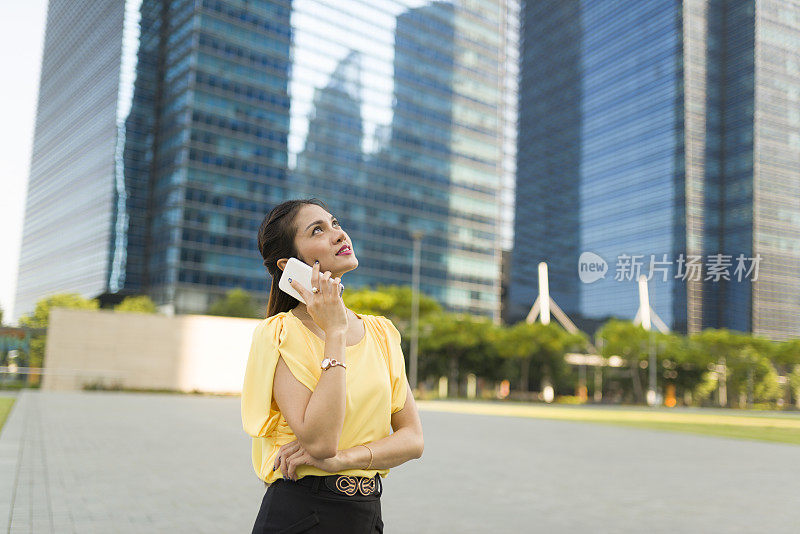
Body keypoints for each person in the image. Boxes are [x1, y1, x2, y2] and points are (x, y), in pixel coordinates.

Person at [242, 198, 424, 533]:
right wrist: (335, 331)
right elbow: (321, 442)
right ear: (289, 265)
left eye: (335, 223)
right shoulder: (281, 334)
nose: (338, 234)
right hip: (302, 513)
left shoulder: (381, 333)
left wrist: (344, 460)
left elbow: (413, 439)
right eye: (318, 230)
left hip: (366, 514)